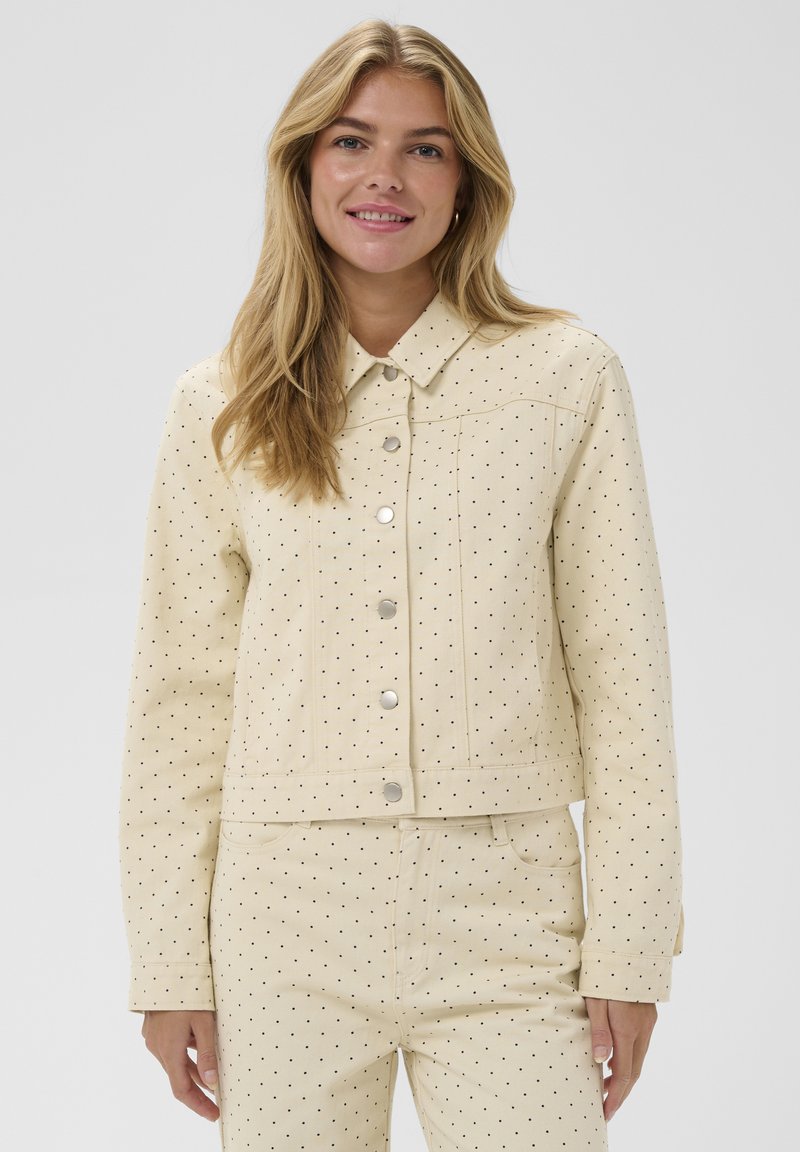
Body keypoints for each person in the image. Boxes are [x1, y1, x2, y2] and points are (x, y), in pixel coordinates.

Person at [118, 18, 684, 1152]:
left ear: (467, 183)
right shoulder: (219, 403)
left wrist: (629, 948)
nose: (384, 175)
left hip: (511, 918)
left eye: (424, 148)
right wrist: (170, 962)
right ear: (302, 169)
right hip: (282, 926)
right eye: (350, 141)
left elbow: (622, 677)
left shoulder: (564, 379)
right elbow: (181, 699)